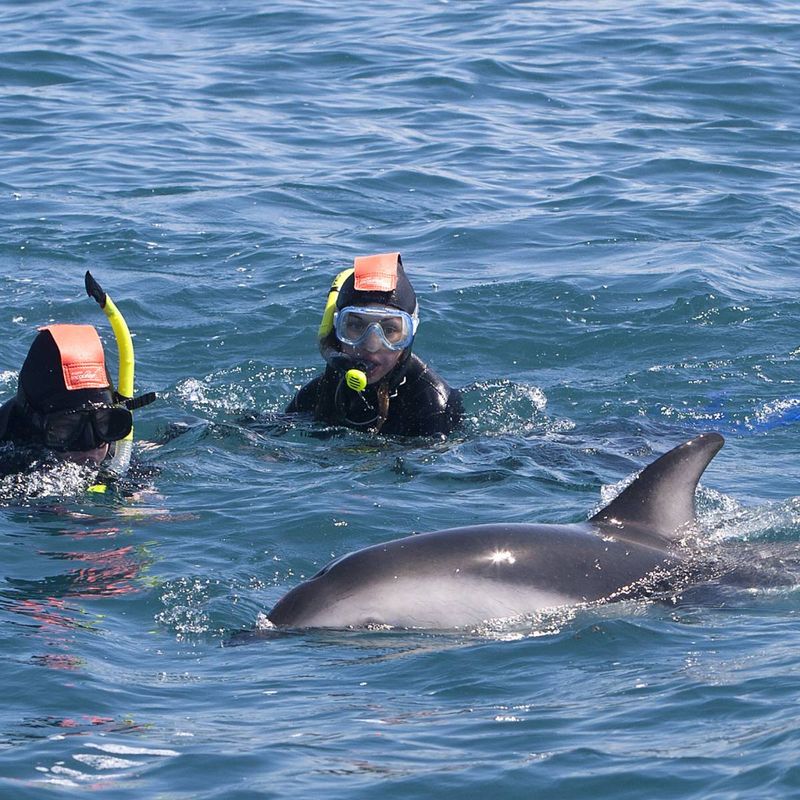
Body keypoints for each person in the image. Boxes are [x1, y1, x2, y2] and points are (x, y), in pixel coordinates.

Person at [0, 272, 155, 482]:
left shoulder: (106, 447)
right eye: (66, 429)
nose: (89, 449)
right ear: (34, 422)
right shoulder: (10, 457)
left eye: (104, 424)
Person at [287, 252, 463, 436]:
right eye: (355, 325)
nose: (371, 345)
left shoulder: (434, 405)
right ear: (337, 327)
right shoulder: (324, 390)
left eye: (389, 330)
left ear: (409, 334)